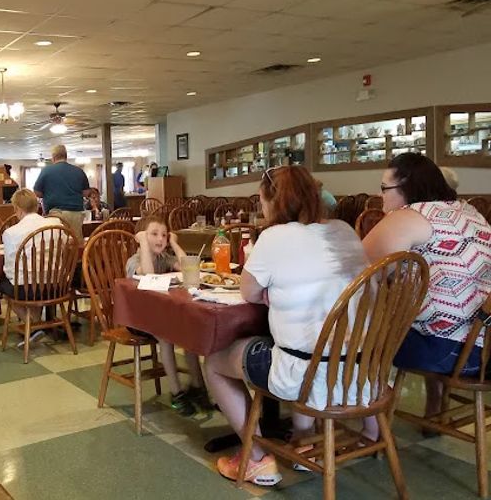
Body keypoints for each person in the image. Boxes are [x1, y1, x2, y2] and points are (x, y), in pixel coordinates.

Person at [205, 166, 367, 486]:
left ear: (271, 201)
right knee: (306, 342)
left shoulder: (274, 236)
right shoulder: (344, 230)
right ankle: (306, 442)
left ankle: (255, 458)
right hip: (361, 372)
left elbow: (248, 291)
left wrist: (271, 290)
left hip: (305, 373)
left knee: (215, 362)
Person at [363, 153, 491, 423]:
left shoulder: (409, 216)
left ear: (406, 188)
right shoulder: (469, 211)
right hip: (486, 348)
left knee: (365, 336)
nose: (380, 195)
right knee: (426, 315)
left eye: (385, 188)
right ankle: (435, 405)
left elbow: (358, 269)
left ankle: (370, 430)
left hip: (451, 354)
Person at [126, 214, 211, 416]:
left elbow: (188, 267)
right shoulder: (134, 260)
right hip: (138, 318)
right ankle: (177, 392)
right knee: (166, 337)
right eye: (153, 234)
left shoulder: (165, 257)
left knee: (189, 331)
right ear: (141, 237)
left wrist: (174, 242)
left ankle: (197, 386)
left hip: (165, 315)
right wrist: (143, 245)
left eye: (164, 235)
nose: (160, 239)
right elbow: (147, 274)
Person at [0, 189, 63, 345]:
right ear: (37, 206)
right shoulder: (56, 224)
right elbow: (67, 242)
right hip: (57, 285)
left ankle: (34, 325)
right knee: (32, 283)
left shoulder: (10, 233)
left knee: (4, 285)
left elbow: (10, 269)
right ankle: (37, 325)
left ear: (18, 209)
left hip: (27, 288)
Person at [33, 144, 91, 240]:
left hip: (55, 213)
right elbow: (86, 193)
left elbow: (37, 192)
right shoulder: (79, 171)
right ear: (66, 156)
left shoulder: (46, 171)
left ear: (53, 157)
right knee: (75, 243)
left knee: (57, 243)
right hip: (75, 213)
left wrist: (48, 193)